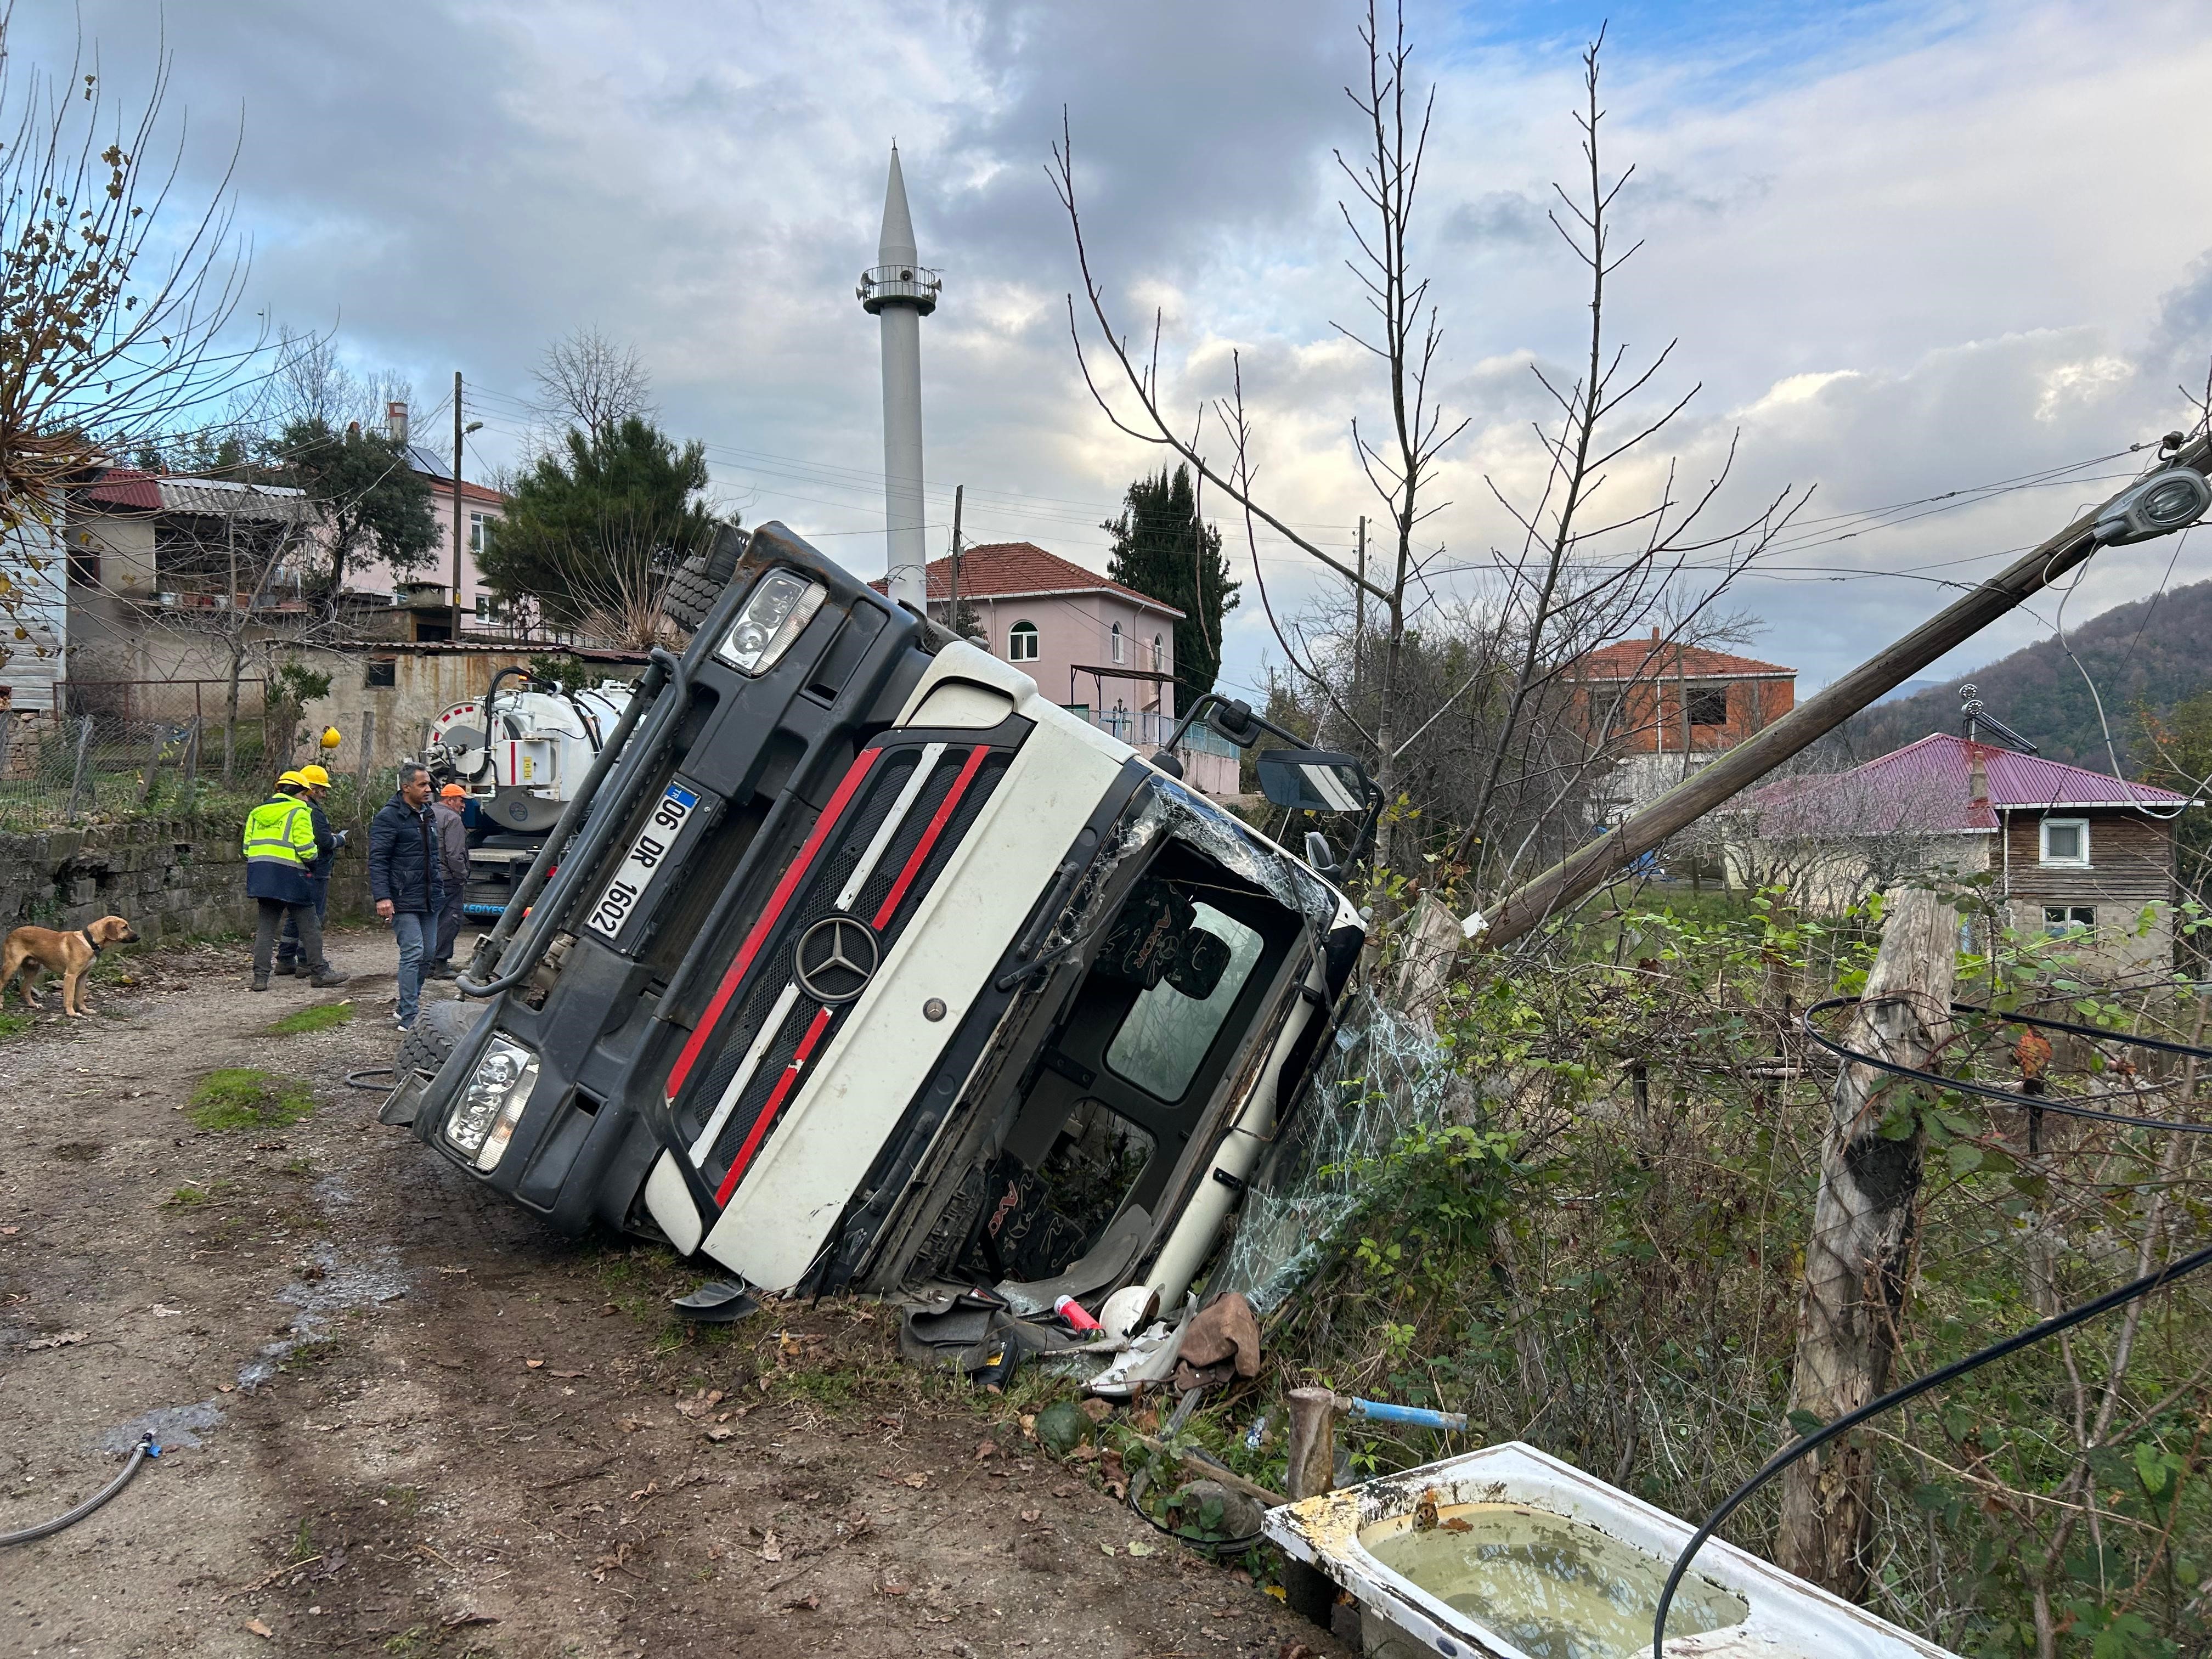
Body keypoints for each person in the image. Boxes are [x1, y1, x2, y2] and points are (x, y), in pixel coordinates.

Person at [244, 771, 349, 992]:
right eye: (306, 794)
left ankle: (260, 979)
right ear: (300, 793)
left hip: (262, 877)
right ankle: (319, 972)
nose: (307, 799)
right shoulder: (300, 811)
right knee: (310, 925)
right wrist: (312, 863)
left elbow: (246, 848)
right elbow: (307, 849)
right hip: (293, 876)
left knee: (265, 928)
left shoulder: (257, 812)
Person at [368, 762, 445, 1032]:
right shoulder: (389, 818)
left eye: (429, 784)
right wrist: (383, 898)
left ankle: (404, 1006)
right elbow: (378, 860)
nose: (429, 789)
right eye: (423, 785)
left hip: (430, 896)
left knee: (428, 954)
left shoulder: (428, 814)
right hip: (403, 898)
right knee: (413, 952)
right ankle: (410, 1016)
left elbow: (432, 857)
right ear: (406, 787)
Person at [274, 763, 346, 976]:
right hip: (316, 869)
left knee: (296, 916)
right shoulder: (311, 811)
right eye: (322, 790)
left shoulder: (288, 808)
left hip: (296, 870)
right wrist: (339, 840)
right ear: (311, 788)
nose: (324, 795)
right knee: (313, 916)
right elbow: (323, 841)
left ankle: (286, 958)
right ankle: (307, 960)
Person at [427, 783, 470, 980]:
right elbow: (455, 854)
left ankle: (426, 963)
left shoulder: (427, 813)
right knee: (450, 919)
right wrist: (462, 875)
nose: (463, 806)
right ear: (450, 800)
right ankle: (440, 965)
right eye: (461, 801)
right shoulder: (452, 819)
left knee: (430, 919)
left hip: (428, 877)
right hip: (448, 878)